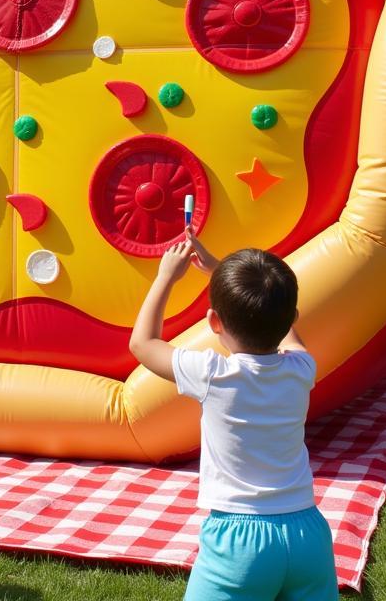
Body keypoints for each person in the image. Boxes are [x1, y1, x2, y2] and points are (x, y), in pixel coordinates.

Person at [129, 231, 337, 601]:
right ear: (293, 316)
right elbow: (289, 336)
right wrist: (221, 270)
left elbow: (142, 343)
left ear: (214, 322)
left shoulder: (213, 375)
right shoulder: (302, 368)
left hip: (240, 543)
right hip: (308, 533)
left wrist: (166, 276)